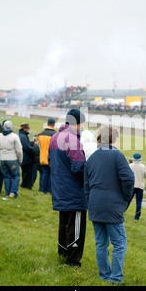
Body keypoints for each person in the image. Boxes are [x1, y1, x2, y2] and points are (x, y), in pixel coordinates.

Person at [84, 125, 134, 284]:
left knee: (101, 243)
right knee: (119, 243)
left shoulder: (91, 158)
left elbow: (86, 185)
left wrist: (90, 201)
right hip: (112, 205)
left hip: (95, 204)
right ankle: (116, 278)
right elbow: (129, 179)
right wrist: (125, 199)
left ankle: (104, 276)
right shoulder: (117, 156)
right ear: (114, 138)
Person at [49, 108, 87, 267]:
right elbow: (78, 167)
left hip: (59, 188)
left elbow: (50, 161)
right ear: (77, 123)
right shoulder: (72, 140)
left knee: (64, 223)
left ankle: (62, 251)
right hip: (74, 190)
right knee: (76, 226)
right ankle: (72, 260)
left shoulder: (55, 137)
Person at [0, 121, 23, 198]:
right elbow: (19, 150)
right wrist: (20, 160)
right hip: (12, 159)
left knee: (6, 176)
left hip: (2, 159)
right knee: (15, 176)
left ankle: (7, 193)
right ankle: (13, 192)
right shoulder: (15, 136)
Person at [37, 118, 57, 194]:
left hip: (42, 156)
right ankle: (49, 189)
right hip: (51, 157)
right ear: (54, 124)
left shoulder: (40, 134)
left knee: (44, 173)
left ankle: (43, 189)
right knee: (51, 174)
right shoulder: (55, 134)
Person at [129, 152, 146, 220]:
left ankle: (121, 212)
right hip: (140, 186)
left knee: (128, 200)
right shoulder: (143, 166)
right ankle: (137, 216)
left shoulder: (130, 165)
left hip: (132, 185)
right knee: (139, 201)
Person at [18, 123, 35, 189]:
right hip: (26, 157)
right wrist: (34, 150)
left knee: (24, 172)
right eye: (27, 128)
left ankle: (24, 184)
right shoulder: (23, 136)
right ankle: (24, 185)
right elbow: (26, 147)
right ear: (24, 128)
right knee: (27, 172)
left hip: (22, 156)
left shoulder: (20, 135)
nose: (28, 130)